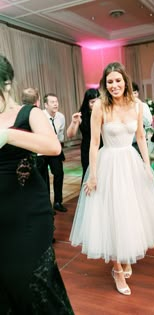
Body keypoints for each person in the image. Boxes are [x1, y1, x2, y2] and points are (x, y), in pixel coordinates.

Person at [70, 62, 154, 296]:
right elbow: (94, 143)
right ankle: (117, 268)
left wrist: (147, 166)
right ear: (104, 85)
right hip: (108, 163)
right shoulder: (100, 107)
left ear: (125, 81)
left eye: (118, 80)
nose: (114, 85)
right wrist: (93, 175)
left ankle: (126, 256)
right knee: (112, 216)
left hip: (130, 161)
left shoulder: (136, 105)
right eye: (110, 82)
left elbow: (139, 136)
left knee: (130, 212)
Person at [0, 55, 74, 313]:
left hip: (28, 213)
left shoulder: (28, 113)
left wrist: (9, 134)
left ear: (6, 83)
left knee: (34, 283)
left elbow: (52, 146)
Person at [37, 93, 67, 212]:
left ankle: (58, 202)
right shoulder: (40, 117)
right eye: (52, 102)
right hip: (42, 151)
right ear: (45, 105)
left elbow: (60, 134)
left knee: (59, 174)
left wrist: (59, 148)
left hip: (54, 149)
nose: (56, 104)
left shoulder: (61, 117)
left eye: (56, 101)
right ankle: (46, 206)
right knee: (44, 179)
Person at [67, 88, 100, 182]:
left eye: (97, 101)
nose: (95, 105)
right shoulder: (81, 116)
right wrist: (74, 122)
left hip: (102, 147)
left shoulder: (104, 113)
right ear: (87, 103)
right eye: (92, 102)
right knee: (88, 171)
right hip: (88, 148)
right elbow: (70, 134)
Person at [131, 81, 152, 153]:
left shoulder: (143, 106)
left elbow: (149, 122)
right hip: (130, 142)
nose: (133, 95)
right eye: (131, 93)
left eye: (135, 93)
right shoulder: (125, 108)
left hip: (141, 139)